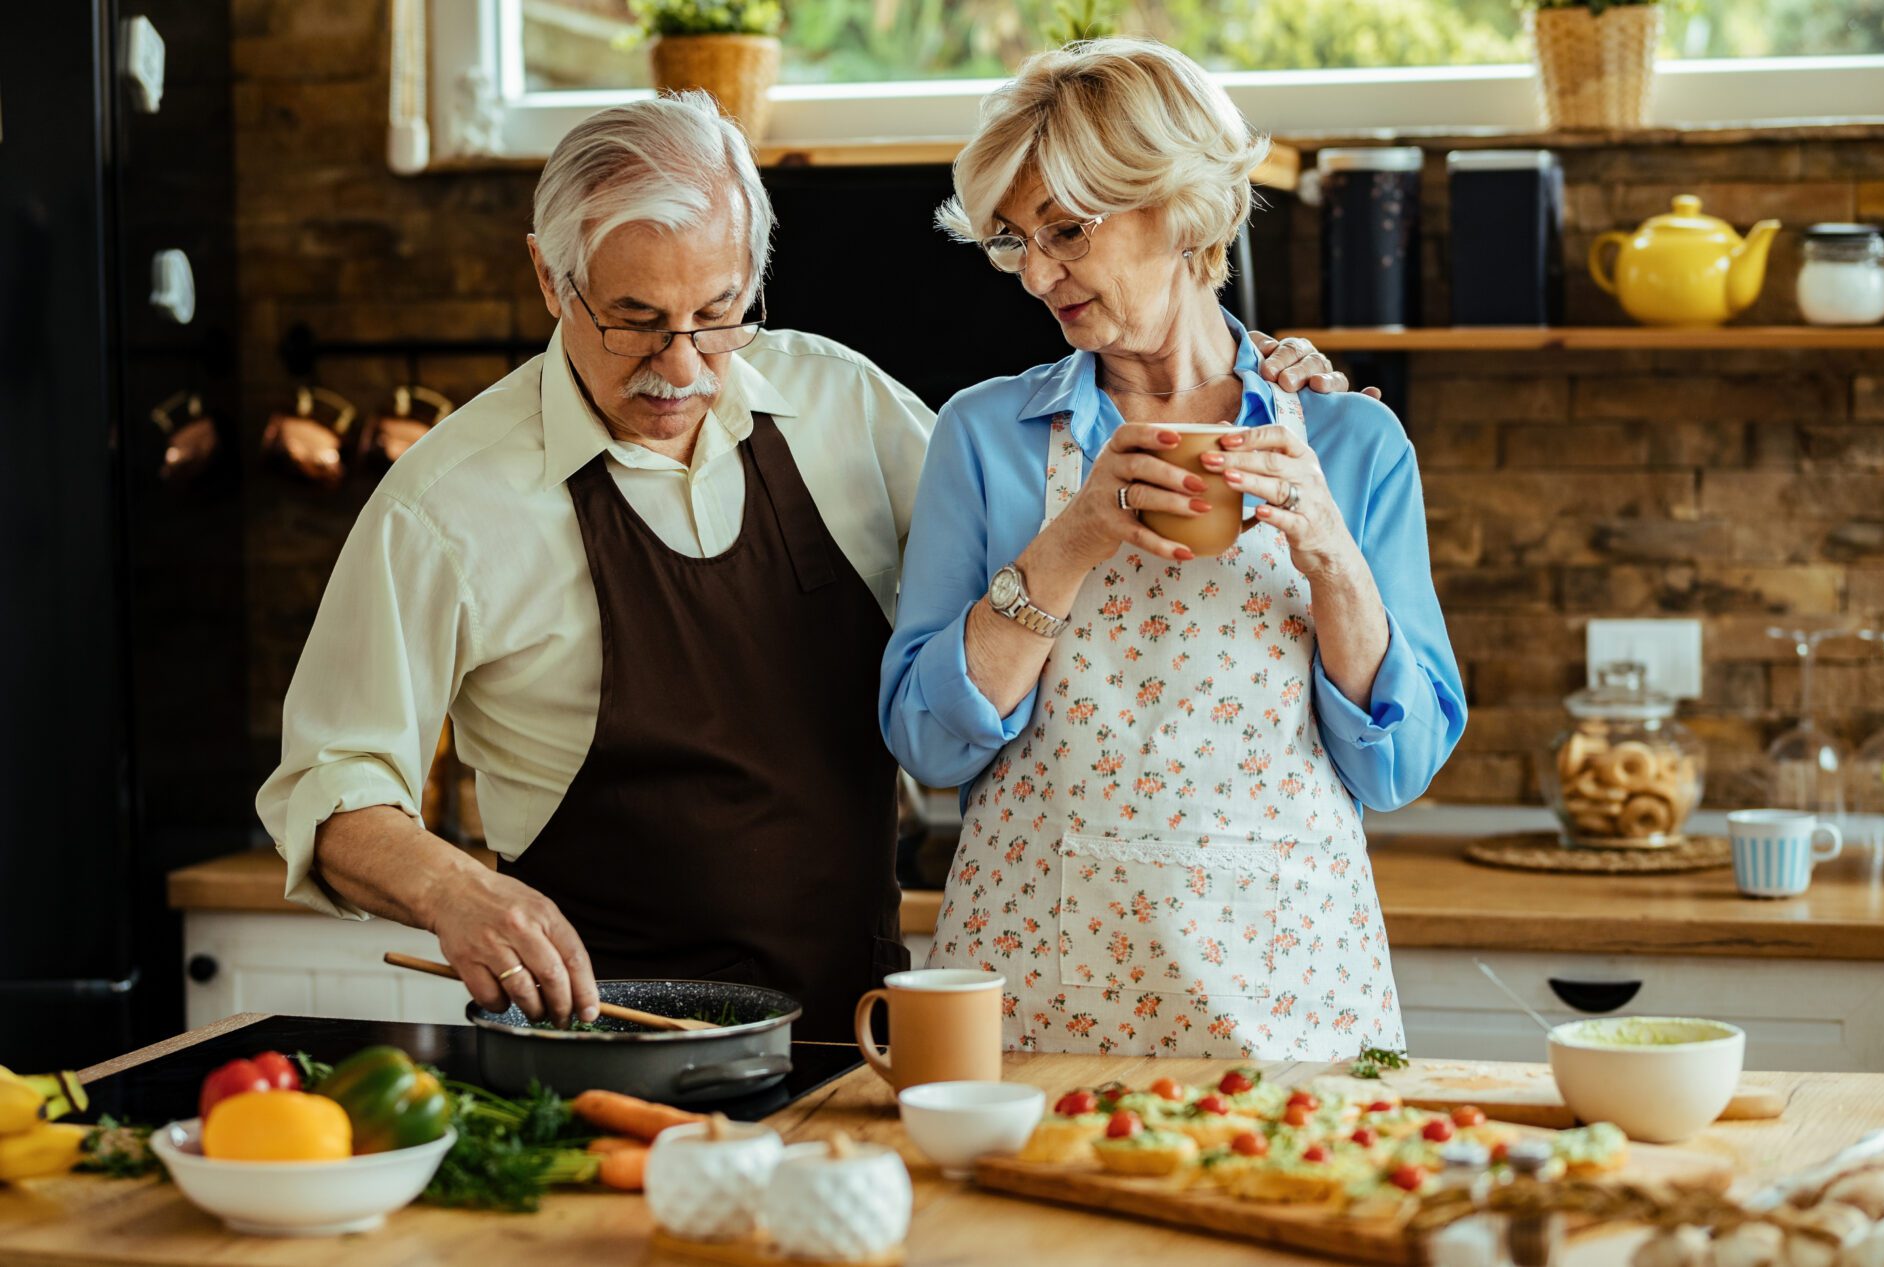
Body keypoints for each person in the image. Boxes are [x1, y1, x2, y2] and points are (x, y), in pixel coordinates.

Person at [256, 91, 1352, 1039]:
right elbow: (328, 785)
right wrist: (452, 886)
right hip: (595, 1045)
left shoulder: (846, 409)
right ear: (551, 280)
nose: (682, 365)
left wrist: (1249, 375)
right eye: (634, 321)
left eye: (720, 315)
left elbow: (1046, 551)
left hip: (854, 1032)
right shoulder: (448, 504)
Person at [880, 40, 1467, 1059]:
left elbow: (1399, 765)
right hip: (1040, 992)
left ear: (1183, 205)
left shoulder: (1347, 441)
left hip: (1288, 996)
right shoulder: (984, 436)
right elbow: (927, 745)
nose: (1037, 275)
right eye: (1013, 240)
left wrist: (1331, 554)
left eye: (1064, 229)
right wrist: (1069, 542)